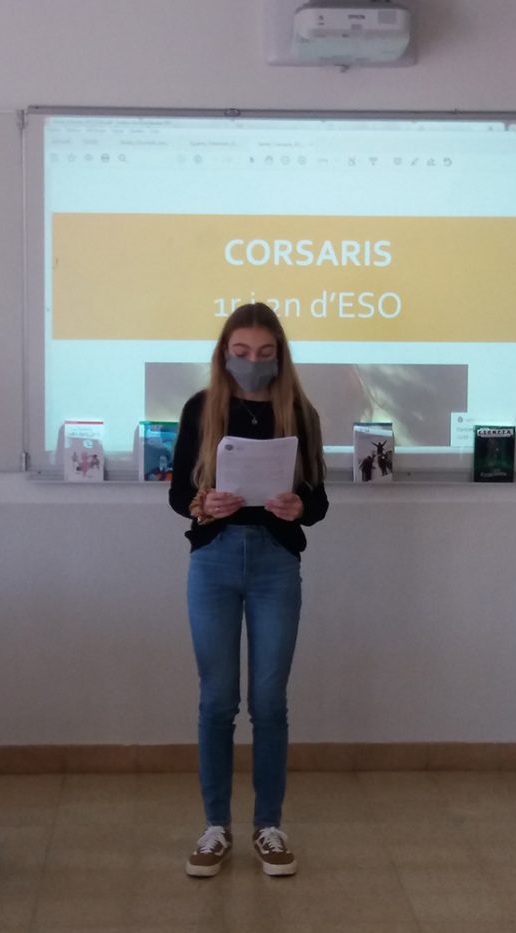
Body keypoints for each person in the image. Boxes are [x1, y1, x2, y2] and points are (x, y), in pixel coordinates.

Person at [169, 302, 328, 878]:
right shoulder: (201, 408)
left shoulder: (299, 411)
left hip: (275, 564)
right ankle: (216, 826)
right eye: (241, 352)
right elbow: (177, 496)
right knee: (217, 701)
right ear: (224, 354)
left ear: (279, 355)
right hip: (213, 561)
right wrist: (204, 502)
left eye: (264, 353)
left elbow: (319, 501)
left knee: (269, 703)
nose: (252, 362)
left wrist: (299, 506)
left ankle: (268, 826)